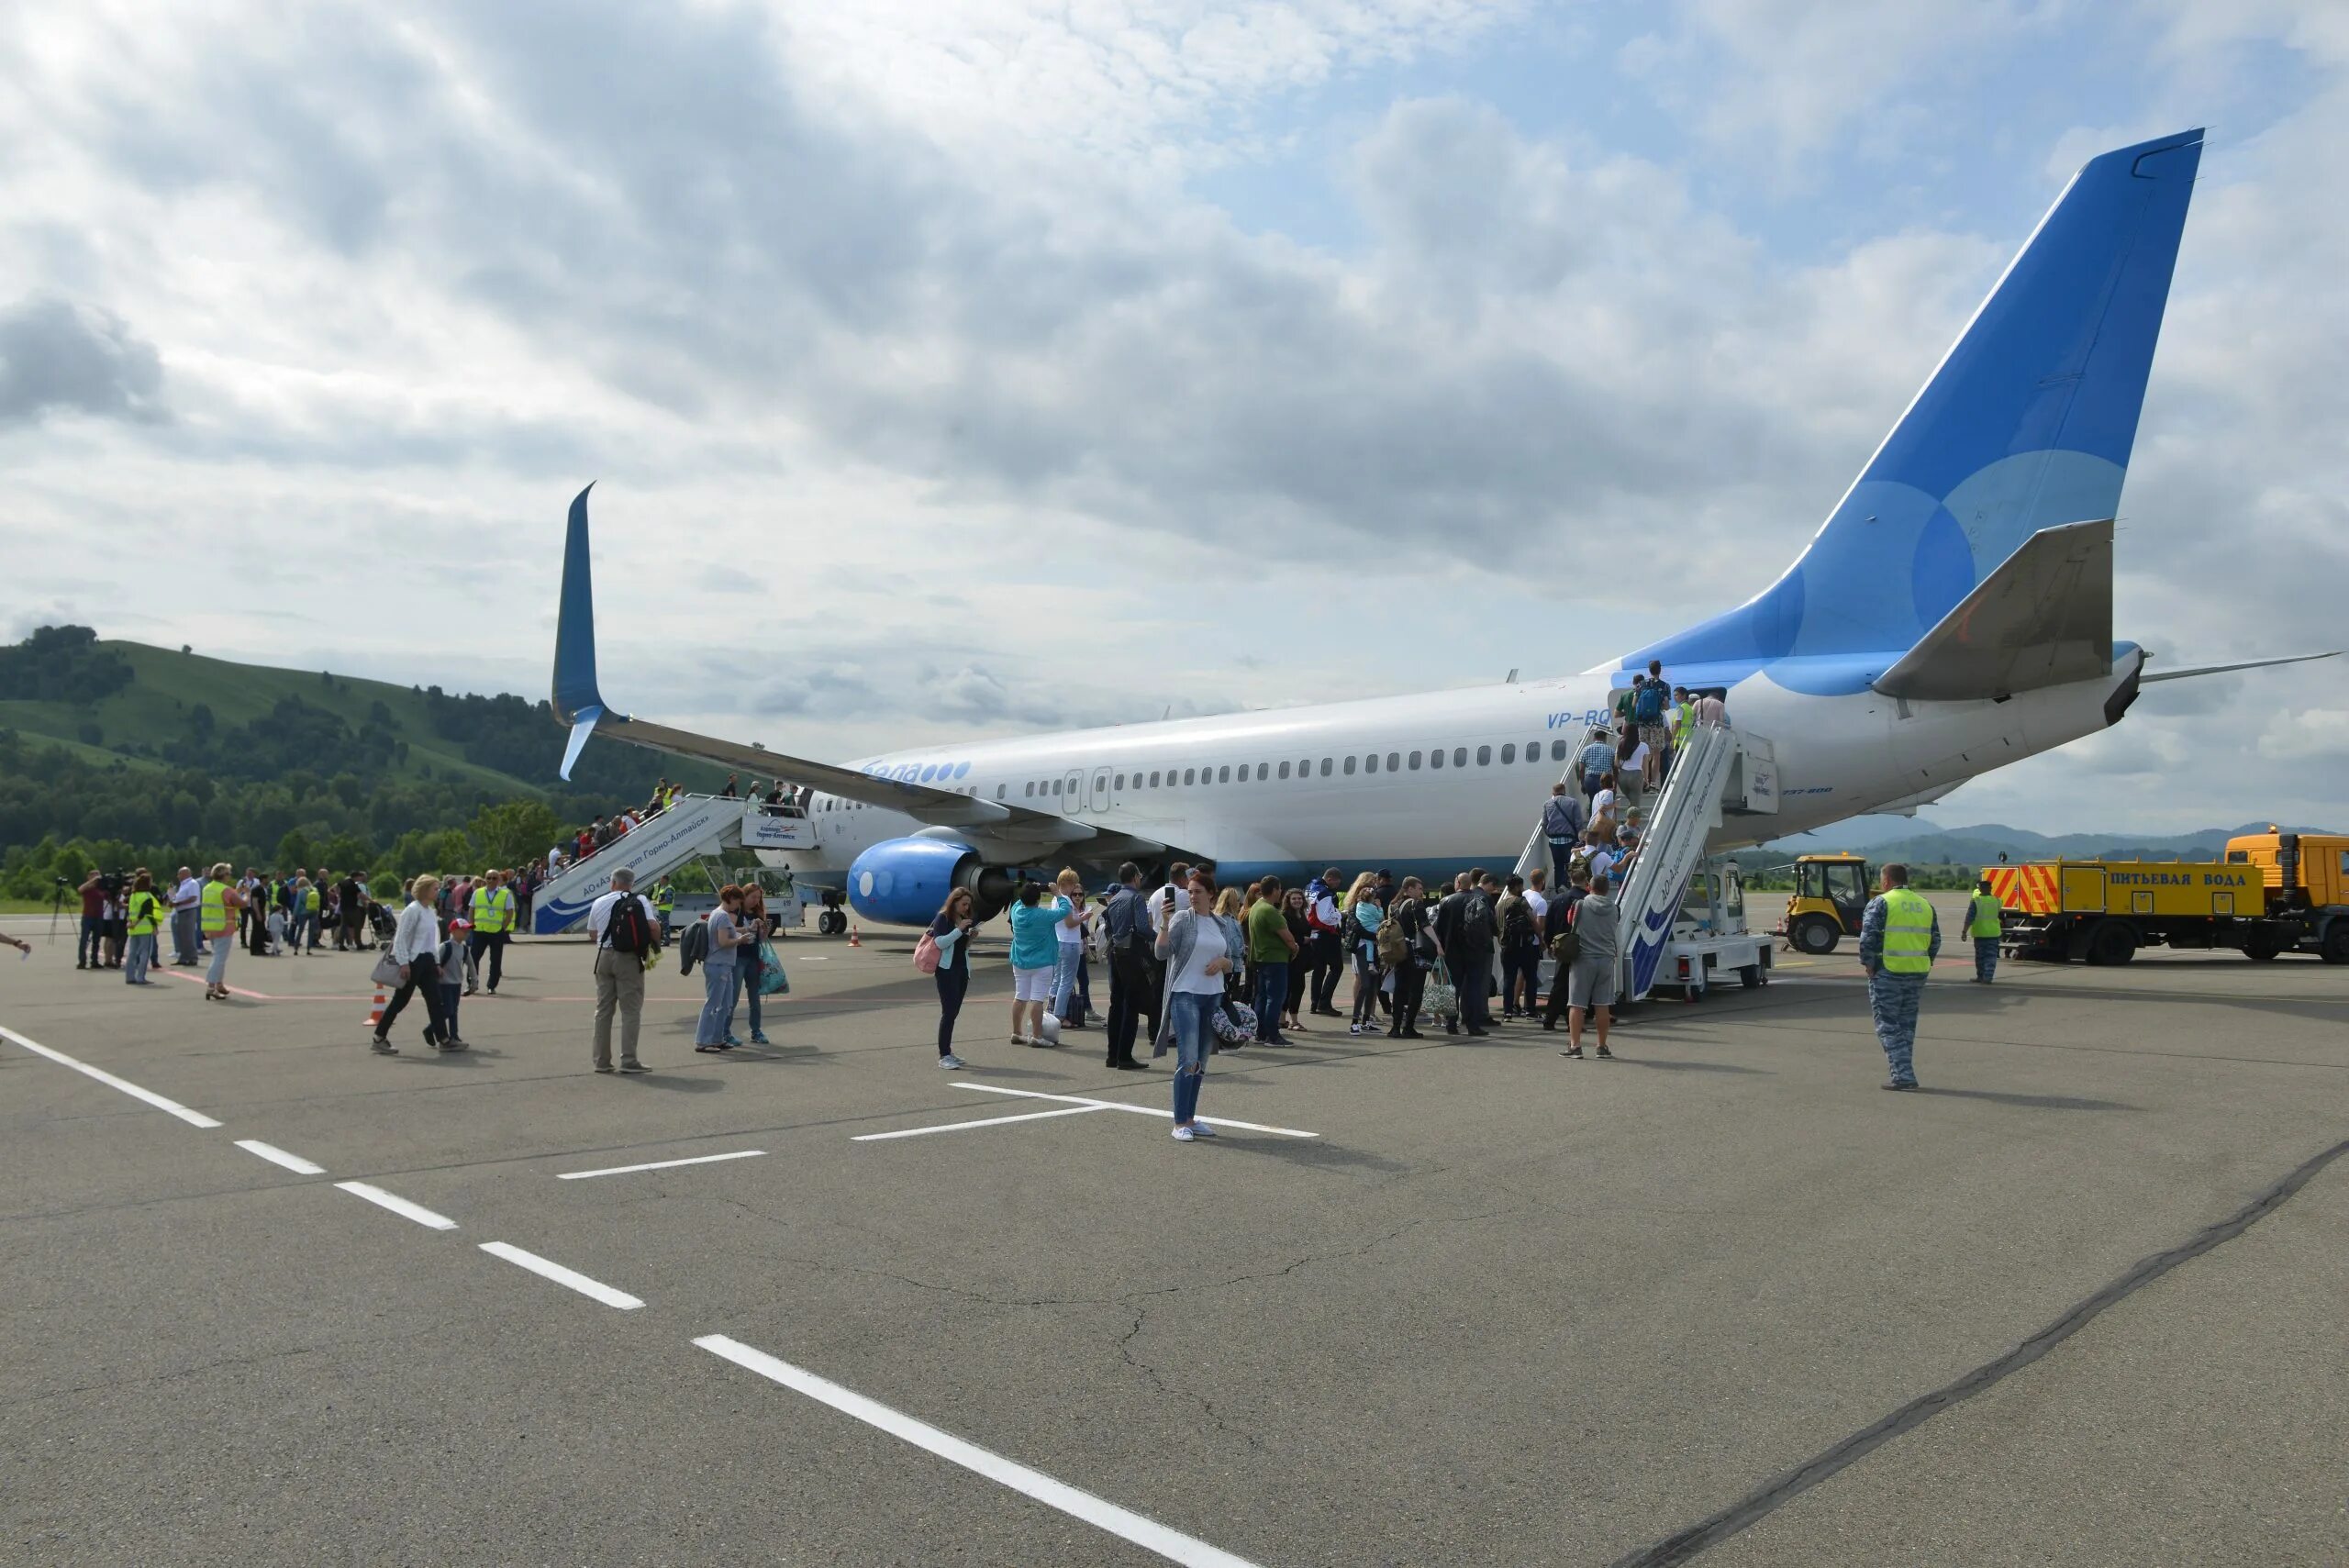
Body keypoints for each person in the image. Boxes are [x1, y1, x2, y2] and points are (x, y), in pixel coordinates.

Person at [1152, 869, 1240, 1141]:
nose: (1192, 896)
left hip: (1212, 997)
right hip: (1185, 994)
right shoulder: (1181, 919)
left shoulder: (1220, 924)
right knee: (1188, 1059)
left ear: (1211, 894)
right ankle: (1179, 1122)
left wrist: (1225, 963)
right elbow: (1161, 953)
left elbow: (1234, 959)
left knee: (1201, 1061)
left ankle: (1190, 1117)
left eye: (1197, 892)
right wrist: (1165, 924)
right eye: (1189, 891)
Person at [1861, 862, 1941, 1089]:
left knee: (1887, 1024)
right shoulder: (1925, 904)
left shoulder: (1881, 903)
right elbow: (1935, 941)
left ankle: (1904, 1075)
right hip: (1917, 971)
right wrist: (1926, 962)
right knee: (1906, 1025)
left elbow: (1868, 938)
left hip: (1889, 971)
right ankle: (1904, 1070)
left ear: (1886, 881)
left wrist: (1869, 964)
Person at [586, 867, 661, 1073]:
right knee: (630, 1010)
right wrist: (655, 948)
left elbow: (593, 933)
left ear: (612, 883)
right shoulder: (639, 900)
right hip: (627, 958)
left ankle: (601, 1061)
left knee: (603, 1010)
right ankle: (628, 1060)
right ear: (631, 883)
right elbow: (653, 927)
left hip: (603, 956)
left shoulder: (599, 902)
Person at [373, 874, 452, 1052]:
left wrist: (436, 962)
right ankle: (379, 1037)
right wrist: (403, 962)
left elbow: (433, 940)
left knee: (435, 1000)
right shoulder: (412, 910)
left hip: (427, 960)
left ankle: (444, 1039)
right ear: (424, 890)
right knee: (400, 1001)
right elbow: (401, 938)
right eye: (435, 888)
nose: (437, 891)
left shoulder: (429, 911)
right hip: (413, 960)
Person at [1558, 869, 1620, 1057]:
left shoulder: (1580, 904)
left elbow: (1571, 921)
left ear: (1588, 887)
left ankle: (1575, 1046)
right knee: (1603, 1004)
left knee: (1576, 1004)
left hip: (1584, 957)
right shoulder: (1615, 908)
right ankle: (1601, 1046)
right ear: (1607, 890)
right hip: (1606, 958)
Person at [1100, 863, 1155, 1071]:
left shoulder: (1114, 900)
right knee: (1131, 1006)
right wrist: (1158, 939)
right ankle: (1125, 1056)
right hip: (1131, 956)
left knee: (1116, 1004)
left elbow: (1108, 924)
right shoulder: (1136, 898)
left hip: (1116, 953)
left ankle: (1112, 1055)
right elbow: (1142, 927)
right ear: (1135, 877)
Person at [1434, 871, 1496, 1036]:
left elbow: (1438, 928)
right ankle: (1473, 1025)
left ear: (1458, 883)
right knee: (1474, 989)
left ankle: (1451, 1024)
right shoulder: (1481, 900)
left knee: (1454, 988)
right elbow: (1492, 925)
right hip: (1476, 952)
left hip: (1453, 953)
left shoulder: (1446, 901)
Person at [696, 885, 753, 1054]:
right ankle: (702, 1041)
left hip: (725, 965)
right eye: (737, 902)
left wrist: (741, 934)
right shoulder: (721, 916)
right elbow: (723, 942)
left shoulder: (718, 914)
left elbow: (727, 935)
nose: (738, 906)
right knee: (713, 1004)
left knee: (726, 1004)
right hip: (717, 965)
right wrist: (740, 940)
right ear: (730, 899)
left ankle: (717, 1038)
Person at [928, 888, 977, 1069]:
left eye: (968, 905)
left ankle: (948, 1051)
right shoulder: (943, 918)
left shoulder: (961, 921)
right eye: (963, 904)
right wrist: (960, 929)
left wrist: (970, 938)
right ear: (954, 902)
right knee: (948, 1013)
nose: (966, 907)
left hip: (962, 969)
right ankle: (943, 1055)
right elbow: (940, 942)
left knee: (954, 1012)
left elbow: (961, 948)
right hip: (946, 971)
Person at [1008, 881, 1061, 1046]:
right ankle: (1037, 1036)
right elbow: (1065, 910)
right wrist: (1057, 893)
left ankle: (1017, 1032)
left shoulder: (1016, 911)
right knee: (1037, 999)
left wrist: (1029, 889)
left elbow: (1019, 901)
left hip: (1020, 960)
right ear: (1038, 899)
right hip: (1042, 962)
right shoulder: (1044, 915)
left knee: (1020, 996)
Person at [1245, 874, 1296, 1044]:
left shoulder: (1256, 907)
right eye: (1279, 889)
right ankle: (1273, 1035)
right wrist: (1295, 948)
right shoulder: (1270, 911)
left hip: (1260, 958)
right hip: (1274, 959)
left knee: (1262, 997)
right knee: (1275, 998)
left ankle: (1261, 1033)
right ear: (1274, 890)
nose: (1280, 891)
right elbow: (1288, 938)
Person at [1385, 875, 1435, 1038]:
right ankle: (1409, 1028)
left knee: (1400, 990)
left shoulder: (1395, 906)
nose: (1421, 892)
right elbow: (1425, 925)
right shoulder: (1415, 904)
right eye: (1419, 888)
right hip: (1415, 951)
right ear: (1410, 889)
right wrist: (1438, 944)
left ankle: (1395, 1027)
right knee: (1416, 991)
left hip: (1400, 951)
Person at [1341, 872, 1385, 1035]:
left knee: (1373, 984)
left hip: (1372, 945)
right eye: (1372, 884)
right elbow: (1357, 928)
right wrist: (1376, 936)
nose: (1375, 886)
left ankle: (1366, 1020)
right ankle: (1355, 1022)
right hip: (1362, 946)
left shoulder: (1371, 906)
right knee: (1365, 983)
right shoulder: (1355, 908)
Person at [1497, 874, 1543, 1019]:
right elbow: (1534, 922)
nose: (1522, 889)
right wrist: (1541, 939)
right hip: (1524, 946)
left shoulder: (1499, 905)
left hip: (1506, 947)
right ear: (1517, 886)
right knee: (1530, 978)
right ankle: (1530, 1010)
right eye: (1521, 886)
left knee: (1509, 979)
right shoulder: (1521, 902)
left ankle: (1508, 1012)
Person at [1050, 869, 1090, 1030]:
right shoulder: (1065, 899)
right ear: (1065, 883)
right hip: (1070, 943)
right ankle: (1059, 1016)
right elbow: (1070, 923)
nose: (1074, 887)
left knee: (1057, 979)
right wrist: (1084, 917)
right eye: (1073, 883)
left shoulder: (1055, 899)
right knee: (1067, 981)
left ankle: (1052, 1012)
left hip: (1059, 941)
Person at [735, 880, 774, 1046]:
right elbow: (727, 928)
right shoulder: (736, 912)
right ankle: (725, 1031)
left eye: (758, 898)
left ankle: (756, 1031)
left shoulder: (758, 914)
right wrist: (747, 928)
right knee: (732, 997)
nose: (755, 901)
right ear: (744, 896)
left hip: (753, 958)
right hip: (737, 957)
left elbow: (762, 939)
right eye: (753, 897)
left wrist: (764, 930)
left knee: (755, 998)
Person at [467, 869, 517, 995]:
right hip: (479, 931)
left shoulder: (505, 894)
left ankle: (492, 986)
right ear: (485, 879)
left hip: (496, 932)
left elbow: (510, 912)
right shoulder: (477, 893)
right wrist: (471, 926)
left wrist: (503, 928)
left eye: (494, 878)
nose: (491, 880)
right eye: (488, 878)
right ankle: (472, 984)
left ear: (498, 880)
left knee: (495, 960)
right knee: (473, 959)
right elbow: (471, 910)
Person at [198, 863, 242, 1000]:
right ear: (223, 875)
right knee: (219, 958)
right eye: (229, 874)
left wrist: (237, 891)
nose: (230, 876)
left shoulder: (208, 888)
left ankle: (219, 984)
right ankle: (211, 986)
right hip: (224, 926)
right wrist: (246, 894)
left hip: (210, 927)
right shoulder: (226, 889)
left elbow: (225, 899)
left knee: (219, 957)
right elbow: (241, 903)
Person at [1305, 868, 1344, 1016]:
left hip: (1313, 934)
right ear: (1330, 879)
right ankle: (1324, 1002)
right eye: (1337, 882)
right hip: (1327, 934)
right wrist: (1339, 915)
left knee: (1319, 969)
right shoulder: (1325, 893)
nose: (1337, 885)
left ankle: (1315, 1003)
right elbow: (1324, 917)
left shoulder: (1309, 888)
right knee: (1337, 968)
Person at [435, 918, 473, 1050]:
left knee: (454, 1012)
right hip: (444, 984)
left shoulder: (464, 948)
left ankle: (454, 1036)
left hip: (457, 984)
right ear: (454, 931)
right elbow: (436, 962)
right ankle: (432, 1029)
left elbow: (471, 964)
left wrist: (474, 981)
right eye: (464, 931)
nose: (467, 933)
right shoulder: (445, 946)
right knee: (448, 1010)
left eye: (468, 931)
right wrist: (437, 968)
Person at [1279, 886, 1311, 1034]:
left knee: (1291, 988)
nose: (1297, 901)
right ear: (1288, 900)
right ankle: (1294, 1021)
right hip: (1292, 956)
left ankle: (1282, 1019)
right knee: (1297, 987)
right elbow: (1285, 936)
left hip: (1302, 955)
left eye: (1299, 898)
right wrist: (1301, 939)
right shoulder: (1285, 915)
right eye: (1294, 899)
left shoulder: (1301, 914)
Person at [1541, 784, 1585, 890]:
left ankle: (1558, 887)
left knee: (1558, 865)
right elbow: (1578, 823)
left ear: (1553, 793)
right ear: (1564, 791)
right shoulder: (1573, 802)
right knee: (1570, 864)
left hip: (1553, 841)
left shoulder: (1547, 804)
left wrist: (1549, 834)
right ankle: (1568, 886)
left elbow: (1544, 823)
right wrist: (1581, 839)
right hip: (1569, 840)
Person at [122, 871, 162, 984]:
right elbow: (147, 914)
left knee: (132, 952)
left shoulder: (133, 896)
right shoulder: (147, 897)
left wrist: (131, 922)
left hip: (134, 928)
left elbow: (131, 910)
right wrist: (154, 926)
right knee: (145, 952)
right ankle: (140, 977)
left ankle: (129, 976)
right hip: (144, 927)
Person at [1967, 878, 2005, 983]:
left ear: (1980, 889)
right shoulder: (1997, 900)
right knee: (1991, 957)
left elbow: (1969, 917)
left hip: (1980, 933)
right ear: (1990, 888)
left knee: (1980, 957)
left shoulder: (1976, 901)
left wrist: (1964, 931)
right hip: (1993, 933)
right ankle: (1987, 977)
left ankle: (1982, 976)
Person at [169, 866, 202, 964]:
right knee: (182, 936)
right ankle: (183, 958)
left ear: (185, 873)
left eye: (179, 873)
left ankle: (192, 958)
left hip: (189, 911)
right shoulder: (183, 884)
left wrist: (178, 903)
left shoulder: (192, 883)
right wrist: (173, 901)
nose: (178, 876)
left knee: (189, 936)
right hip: (181, 912)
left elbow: (193, 898)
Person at [76, 870, 105, 970]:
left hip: (99, 916)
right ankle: (82, 961)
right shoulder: (87, 888)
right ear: (89, 877)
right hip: (88, 916)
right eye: (94, 875)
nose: (96, 876)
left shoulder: (101, 888)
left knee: (96, 941)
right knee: (84, 939)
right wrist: (92, 881)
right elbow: (80, 889)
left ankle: (95, 961)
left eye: (98, 874)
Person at [1578, 728, 1615, 804]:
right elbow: (1615, 768)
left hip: (1590, 780)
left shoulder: (1586, 749)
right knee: (1604, 802)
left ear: (1594, 738)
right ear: (1605, 738)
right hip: (1605, 780)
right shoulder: (1611, 750)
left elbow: (1581, 769)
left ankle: (1592, 815)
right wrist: (1615, 783)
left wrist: (1582, 784)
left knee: (1593, 802)